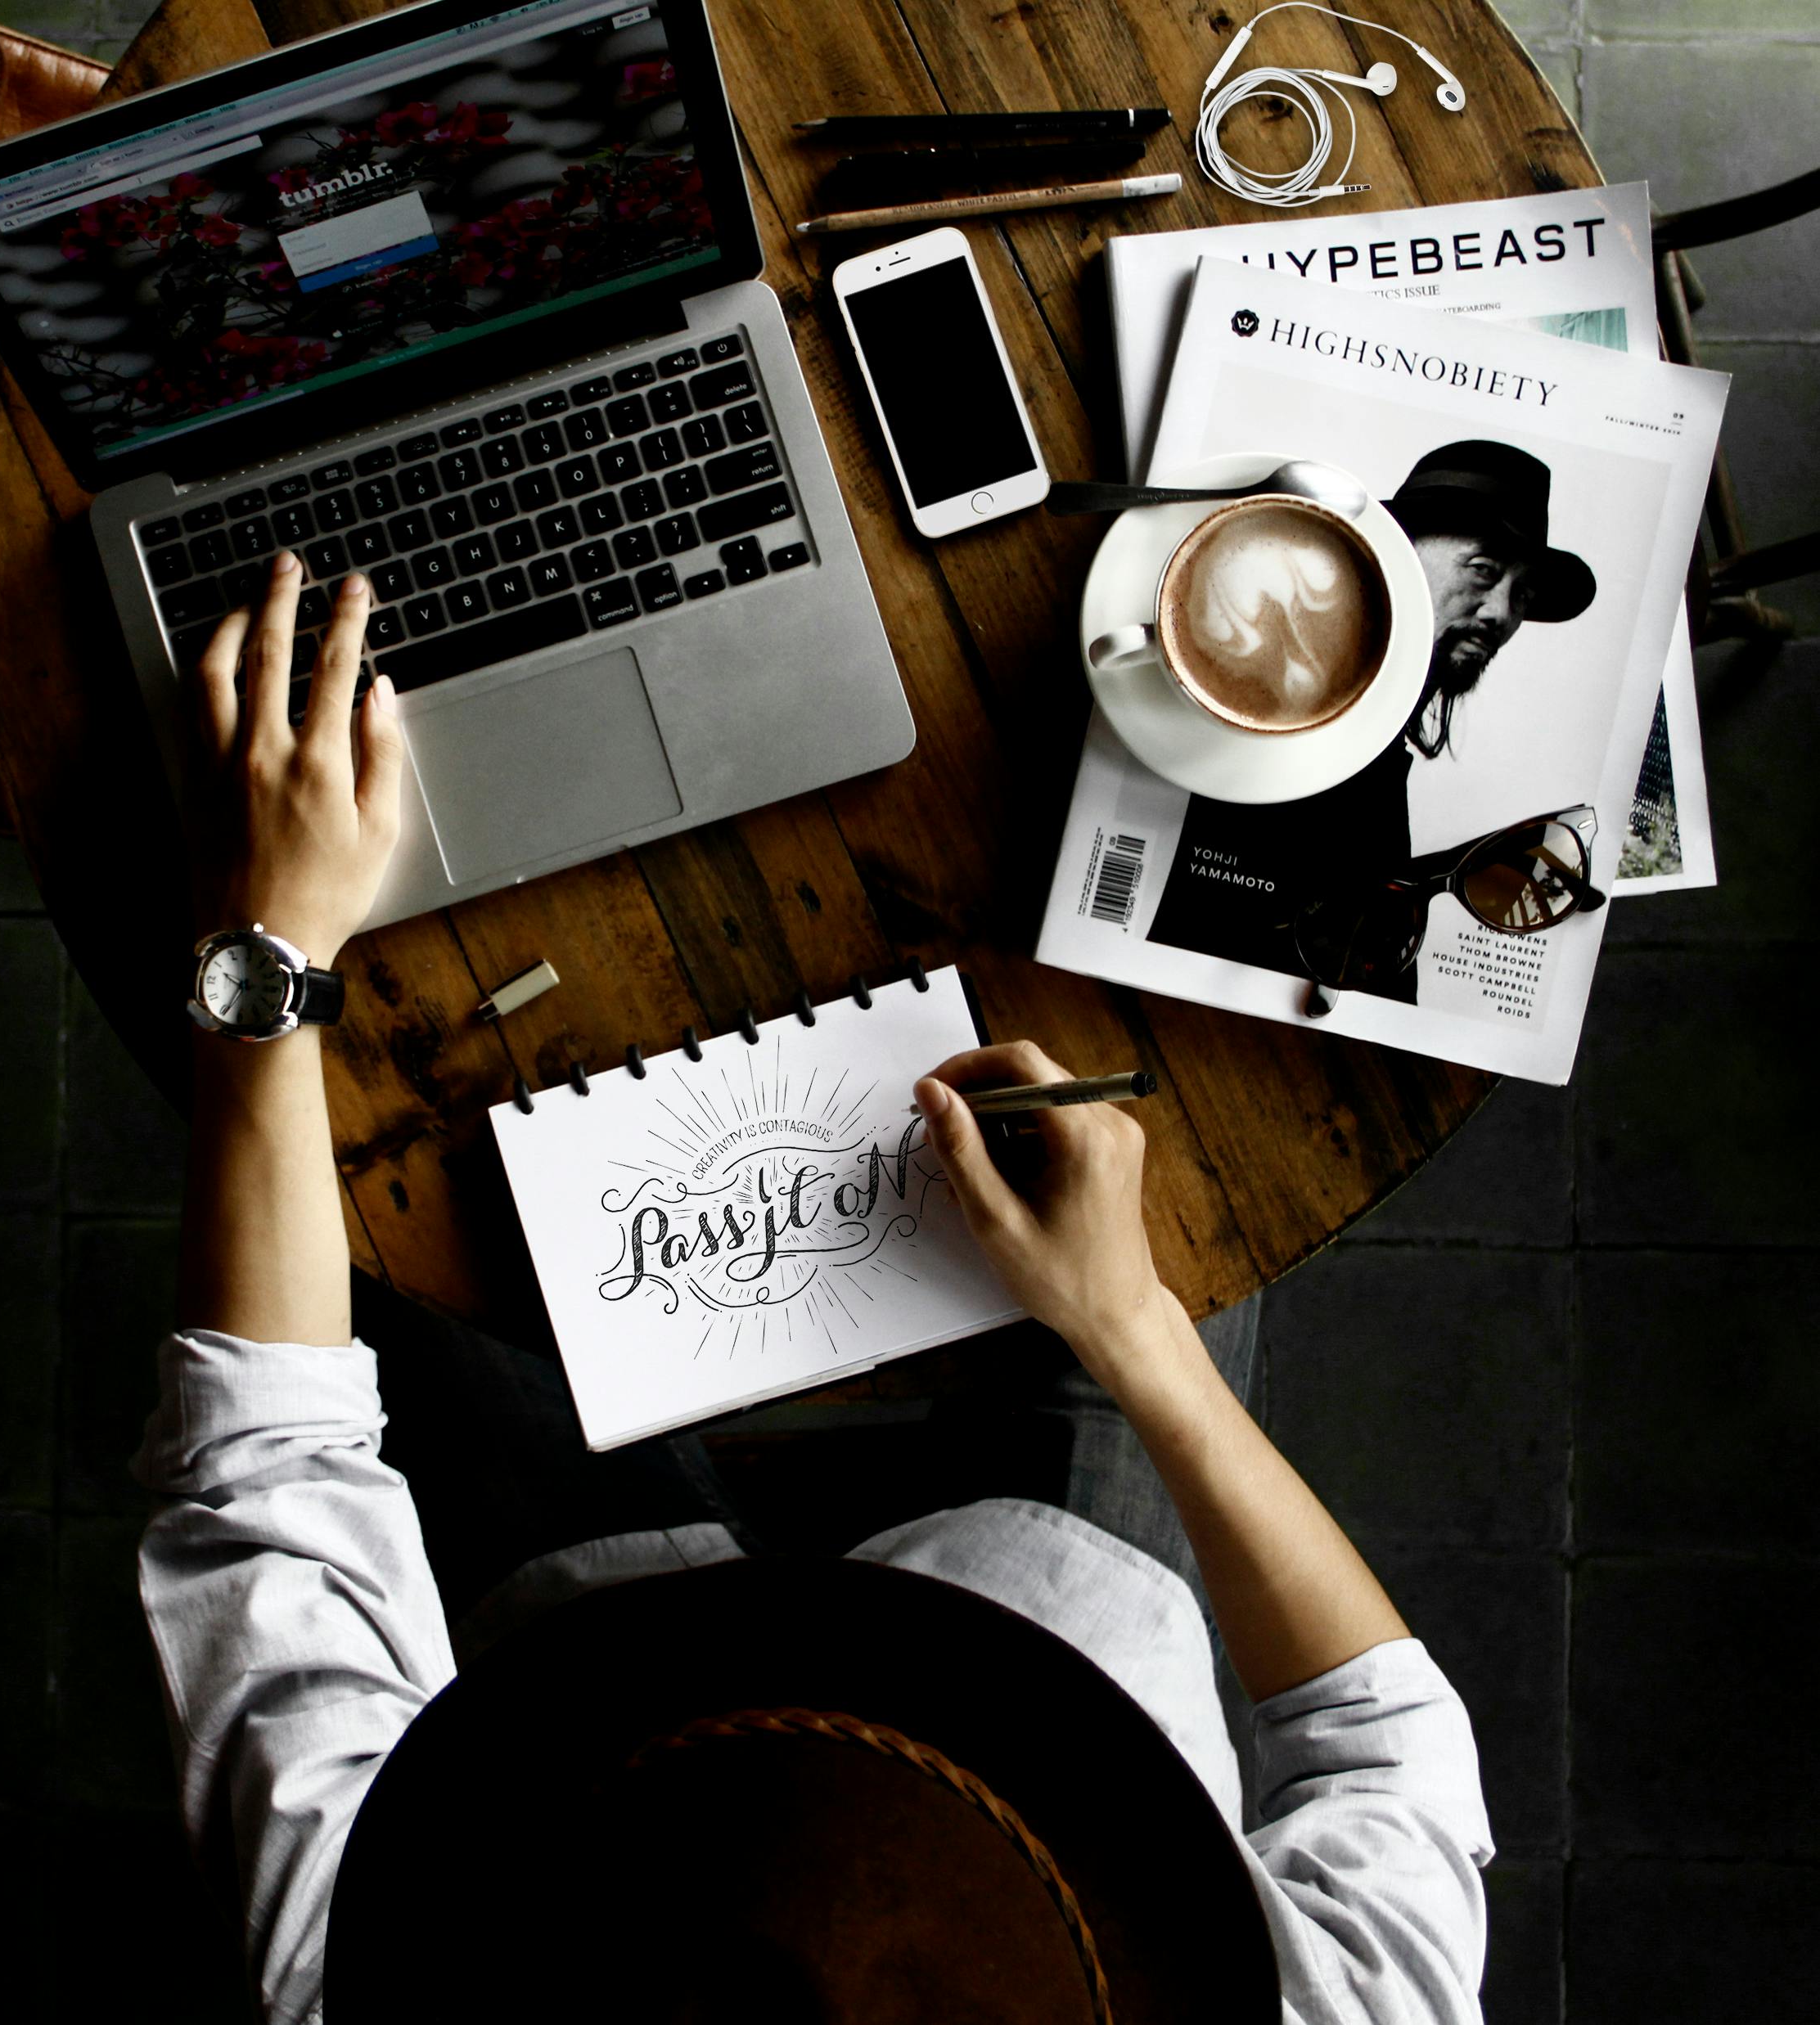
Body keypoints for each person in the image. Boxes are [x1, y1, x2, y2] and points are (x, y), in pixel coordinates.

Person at [137, 553, 1494, 2023]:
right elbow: (1380, 1742)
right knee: (1165, 1078)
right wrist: (1132, 1328)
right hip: (1065, 1601)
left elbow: (265, 1471)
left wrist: (267, 959)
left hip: (583, 1649)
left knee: (407, 1207)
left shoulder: (376, 1971)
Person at [1144, 439, 1597, 1001]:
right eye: (1482, 570)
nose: (1503, 613)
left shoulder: (1380, 751)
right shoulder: (1289, 713)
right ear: (1397, 552)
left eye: (1523, 592)